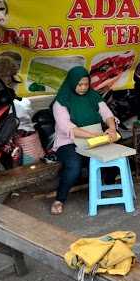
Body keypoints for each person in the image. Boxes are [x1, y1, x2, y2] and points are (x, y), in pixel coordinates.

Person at [51, 66, 118, 215]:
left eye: (86, 84)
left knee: (112, 155)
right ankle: (59, 199)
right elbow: (67, 127)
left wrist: (112, 129)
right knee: (74, 166)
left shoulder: (93, 96)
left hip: (94, 138)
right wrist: (92, 136)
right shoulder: (60, 102)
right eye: (79, 84)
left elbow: (107, 113)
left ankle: (106, 184)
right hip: (68, 142)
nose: (83, 88)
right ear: (71, 83)